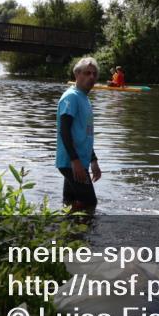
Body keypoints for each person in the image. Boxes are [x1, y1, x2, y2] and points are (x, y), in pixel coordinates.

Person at [56, 57, 102, 210]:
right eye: (87, 73)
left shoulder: (84, 99)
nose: (91, 77)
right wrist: (75, 161)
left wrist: (93, 160)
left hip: (79, 161)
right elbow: (64, 130)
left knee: (69, 203)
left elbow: (85, 135)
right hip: (72, 162)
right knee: (90, 203)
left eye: (94, 74)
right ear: (77, 75)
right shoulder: (71, 97)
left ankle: (69, 232)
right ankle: (82, 232)